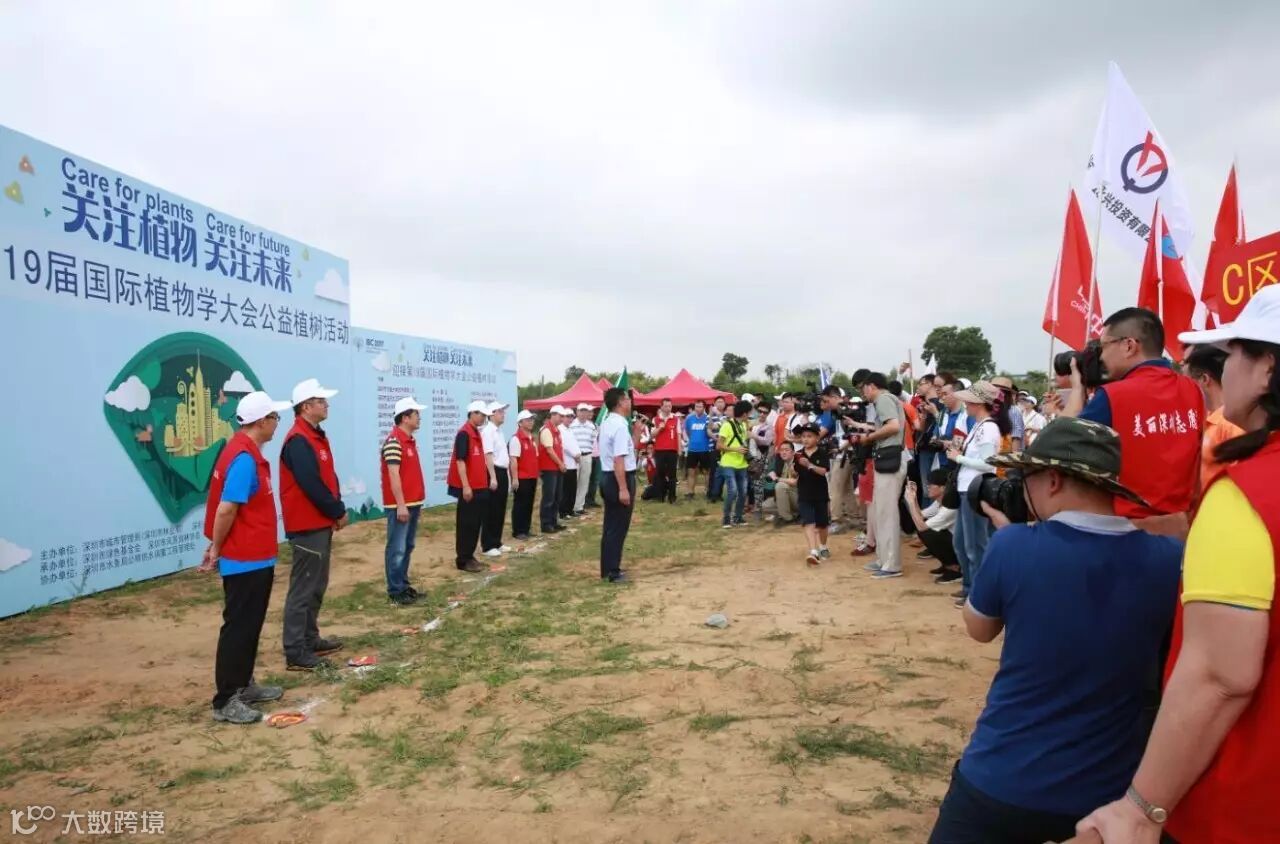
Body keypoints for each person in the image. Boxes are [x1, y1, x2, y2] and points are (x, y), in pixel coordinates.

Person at [1077, 287, 1280, 844]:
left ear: (1266, 369)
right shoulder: (1191, 400)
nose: (1221, 369)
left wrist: (1140, 808)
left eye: (1233, 353)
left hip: (1244, 802)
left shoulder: (1248, 495)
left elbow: (1220, 676)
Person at [928, 417, 1182, 844]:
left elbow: (979, 628)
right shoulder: (1168, 558)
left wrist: (1006, 549)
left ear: (1053, 479)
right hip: (1110, 789)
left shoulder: (1013, 545)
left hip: (1003, 776)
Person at [1063, 307, 1205, 531]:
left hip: (1128, 531)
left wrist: (1077, 390)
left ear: (1129, 346)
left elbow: (1059, 445)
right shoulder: (1193, 390)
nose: (1101, 356)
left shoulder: (1112, 396)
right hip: (1184, 529)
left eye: (1103, 346)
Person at [200, 390, 292, 724]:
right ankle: (225, 699)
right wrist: (216, 548)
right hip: (245, 558)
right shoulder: (243, 458)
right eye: (275, 418)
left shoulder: (246, 452)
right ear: (262, 421)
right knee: (239, 627)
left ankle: (243, 684)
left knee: (250, 625)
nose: (277, 423)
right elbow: (226, 509)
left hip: (256, 556)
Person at [278, 378, 347, 672]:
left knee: (316, 584)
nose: (326, 404)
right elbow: (310, 483)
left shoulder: (314, 436)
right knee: (303, 588)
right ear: (306, 407)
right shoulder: (298, 440)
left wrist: (335, 508)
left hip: (319, 522)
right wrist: (336, 510)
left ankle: (309, 638)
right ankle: (295, 650)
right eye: (321, 401)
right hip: (306, 524)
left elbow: (328, 476)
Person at [945, 381, 1005, 606]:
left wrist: (958, 458)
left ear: (978, 403)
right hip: (968, 489)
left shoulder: (987, 428)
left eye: (969, 401)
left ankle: (979, 593)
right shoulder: (980, 425)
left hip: (975, 489)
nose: (966, 405)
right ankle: (970, 586)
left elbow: (988, 463)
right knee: (962, 543)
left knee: (975, 545)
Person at [854, 374, 908, 580]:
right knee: (880, 511)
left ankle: (891, 564)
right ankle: (883, 559)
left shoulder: (883, 399)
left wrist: (869, 438)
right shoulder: (888, 399)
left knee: (887, 514)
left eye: (863, 388)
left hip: (890, 459)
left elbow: (893, 426)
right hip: (887, 458)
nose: (863, 393)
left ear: (871, 386)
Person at [381, 396, 427, 605]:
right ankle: (396, 590)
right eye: (416, 414)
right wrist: (401, 504)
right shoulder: (394, 441)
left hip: (411, 503)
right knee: (397, 548)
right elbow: (393, 474)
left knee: (407, 546)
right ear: (405, 417)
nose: (419, 417)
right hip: (400, 505)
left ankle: (403, 585)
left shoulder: (408, 441)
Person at [1183, 344, 1245, 493]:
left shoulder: (1230, 425)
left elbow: (1241, 479)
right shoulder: (1206, 419)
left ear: (1204, 379)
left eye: (1189, 381)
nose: (1186, 388)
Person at [598, 387, 638, 584]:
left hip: (608, 476)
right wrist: (623, 488)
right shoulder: (620, 426)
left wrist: (637, 433)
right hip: (618, 478)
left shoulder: (608, 423)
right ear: (621, 402)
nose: (630, 403)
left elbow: (626, 452)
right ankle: (613, 571)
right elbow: (619, 459)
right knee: (618, 527)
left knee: (611, 525)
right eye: (628, 399)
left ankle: (608, 567)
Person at [447, 400, 491, 573]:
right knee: (466, 523)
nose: (483, 418)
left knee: (475, 523)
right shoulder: (464, 434)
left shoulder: (475, 432)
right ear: (472, 413)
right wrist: (466, 486)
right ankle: (463, 559)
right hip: (469, 488)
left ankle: (470, 555)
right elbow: (460, 461)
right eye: (481, 414)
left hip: (479, 486)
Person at [903, 470, 960, 584]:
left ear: (943, 488)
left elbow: (922, 526)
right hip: (952, 540)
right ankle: (947, 564)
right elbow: (920, 515)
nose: (928, 487)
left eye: (931, 484)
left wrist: (911, 502)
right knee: (924, 529)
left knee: (927, 532)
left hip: (958, 545)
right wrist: (913, 498)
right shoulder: (939, 501)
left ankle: (955, 569)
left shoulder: (950, 506)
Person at [793, 424, 831, 566]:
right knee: (808, 521)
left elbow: (823, 471)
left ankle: (823, 546)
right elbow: (795, 473)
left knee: (822, 524)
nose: (805, 439)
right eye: (803, 436)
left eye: (809, 436)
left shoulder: (822, 452)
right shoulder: (798, 454)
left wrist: (809, 465)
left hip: (820, 493)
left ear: (817, 438)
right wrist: (792, 469)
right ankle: (813, 551)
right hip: (804, 492)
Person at [480, 401, 513, 558]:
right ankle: (488, 545)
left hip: (502, 471)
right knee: (491, 509)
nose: (503, 414)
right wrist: (493, 477)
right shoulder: (488, 431)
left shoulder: (499, 431)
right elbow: (488, 455)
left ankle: (496, 541)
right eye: (500, 411)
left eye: (503, 411)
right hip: (493, 472)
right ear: (491, 414)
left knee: (500, 508)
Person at [717, 400, 752, 528]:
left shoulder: (742, 425)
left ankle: (738, 517)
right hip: (728, 463)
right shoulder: (727, 425)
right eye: (749, 413)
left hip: (742, 464)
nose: (749, 416)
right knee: (733, 491)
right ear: (744, 413)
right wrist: (736, 449)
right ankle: (726, 518)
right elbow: (719, 445)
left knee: (743, 492)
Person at [507, 409, 540, 540]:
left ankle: (526, 528)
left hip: (532, 476)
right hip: (522, 477)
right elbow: (513, 460)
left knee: (529, 503)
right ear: (520, 423)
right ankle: (518, 530)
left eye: (532, 419)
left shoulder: (532, 438)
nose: (531, 422)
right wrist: (515, 478)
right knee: (520, 504)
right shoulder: (516, 439)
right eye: (528, 420)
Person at [538, 406, 567, 534]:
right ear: (553, 415)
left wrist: (561, 463)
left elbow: (558, 449)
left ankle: (553, 521)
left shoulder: (556, 430)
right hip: (549, 468)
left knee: (557, 496)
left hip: (556, 467)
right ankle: (546, 524)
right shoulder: (546, 430)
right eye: (561, 416)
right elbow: (549, 450)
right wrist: (560, 463)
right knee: (549, 497)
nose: (562, 419)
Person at [649, 398, 681, 503]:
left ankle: (672, 497)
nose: (668, 408)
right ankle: (661, 496)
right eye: (666, 406)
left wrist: (679, 449)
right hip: (659, 450)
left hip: (672, 450)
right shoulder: (655, 419)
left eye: (670, 406)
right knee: (660, 473)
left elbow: (678, 434)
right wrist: (659, 428)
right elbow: (652, 435)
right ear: (661, 407)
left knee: (672, 474)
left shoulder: (675, 419)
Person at [567, 403, 597, 516]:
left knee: (584, 482)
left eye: (586, 411)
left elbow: (593, 440)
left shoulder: (591, 426)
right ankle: (570, 506)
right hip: (574, 457)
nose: (584, 413)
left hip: (587, 455)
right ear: (577, 412)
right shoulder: (572, 425)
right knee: (573, 482)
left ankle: (579, 506)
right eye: (581, 411)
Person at [682, 400, 714, 498]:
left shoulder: (707, 418)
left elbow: (711, 430)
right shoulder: (689, 418)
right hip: (692, 449)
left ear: (704, 408)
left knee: (707, 472)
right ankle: (690, 492)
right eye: (696, 406)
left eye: (700, 407)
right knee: (691, 472)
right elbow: (688, 432)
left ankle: (708, 491)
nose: (698, 408)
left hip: (705, 449)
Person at [557, 407, 584, 520]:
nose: (570, 419)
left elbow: (575, 444)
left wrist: (578, 454)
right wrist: (575, 455)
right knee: (566, 489)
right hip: (567, 462)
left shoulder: (570, 429)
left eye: (571, 417)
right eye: (567, 417)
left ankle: (570, 509)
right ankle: (563, 511)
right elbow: (564, 446)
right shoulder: (560, 429)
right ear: (562, 417)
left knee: (572, 488)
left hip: (574, 463)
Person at [768, 440, 799, 525]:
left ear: (793, 452)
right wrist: (772, 473)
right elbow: (771, 472)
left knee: (780, 486)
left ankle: (788, 518)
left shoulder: (798, 462)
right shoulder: (781, 462)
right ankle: (791, 513)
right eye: (781, 450)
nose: (783, 452)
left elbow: (795, 482)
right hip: (789, 495)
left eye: (786, 450)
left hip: (800, 499)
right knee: (765, 505)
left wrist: (777, 479)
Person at [990, 376, 1024, 451]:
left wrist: (1012, 457)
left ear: (1006, 394)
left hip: (1005, 453)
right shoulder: (991, 409)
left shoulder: (1014, 411)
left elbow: (1016, 438)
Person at [706, 396, 728, 501]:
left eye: (722, 402)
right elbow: (709, 429)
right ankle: (711, 493)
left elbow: (724, 426)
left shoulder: (727, 415)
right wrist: (716, 439)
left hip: (725, 447)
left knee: (722, 470)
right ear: (714, 404)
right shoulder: (709, 416)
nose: (720, 404)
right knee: (713, 471)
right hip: (713, 446)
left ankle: (719, 493)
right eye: (718, 402)